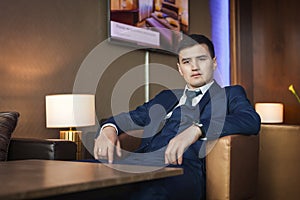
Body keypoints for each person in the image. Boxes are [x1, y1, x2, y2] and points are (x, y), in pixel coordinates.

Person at [94, 34, 261, 200]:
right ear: (180, 69)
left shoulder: (229, 94)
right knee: (82, 179)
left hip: (182, 169)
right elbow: (127, 118)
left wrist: (197, 129)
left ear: (214, 62)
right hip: (138, 163)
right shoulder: (166, 97)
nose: (194, 67)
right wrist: (108, 129)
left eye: (201, 59)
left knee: (148, 193)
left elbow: (250, 120)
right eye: (187, 62)